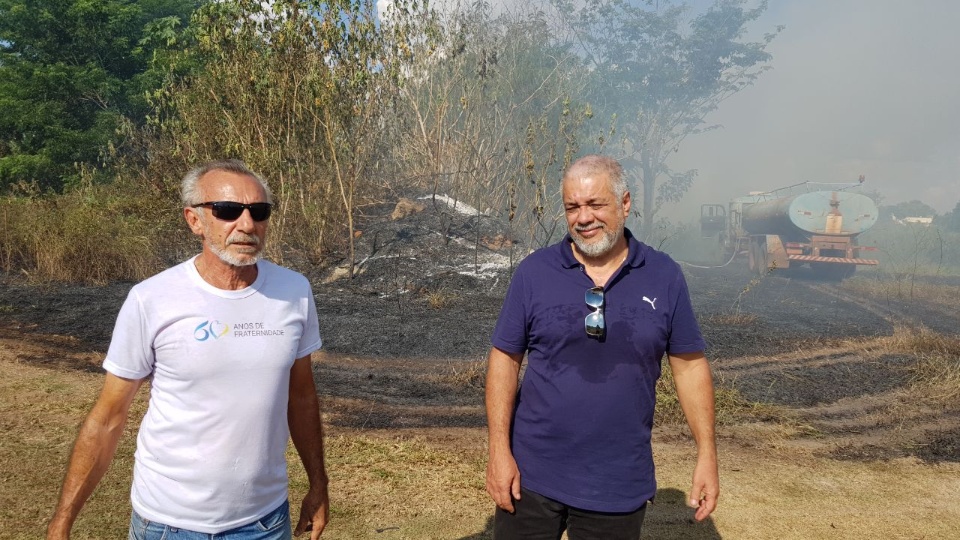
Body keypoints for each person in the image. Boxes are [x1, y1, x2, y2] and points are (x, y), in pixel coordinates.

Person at [47, 160, 330, 539]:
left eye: (258, 212)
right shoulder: (152, 299)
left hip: (265, 522)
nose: (246, 225)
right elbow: (109, 417)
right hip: (168, 524)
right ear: (194, 220)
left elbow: (301, 395)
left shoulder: (294, 291)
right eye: (228, 211)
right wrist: (62, 521)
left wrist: (318, 483)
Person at [485, 155, 719, 539]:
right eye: (572, 207)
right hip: (530, 475)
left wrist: (707, 455)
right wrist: (498, 451)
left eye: (595, 204)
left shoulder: (663, 276)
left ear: (624, 203)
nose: (583, 218)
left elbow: (690, 366)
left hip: (617, 482)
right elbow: (504, 359)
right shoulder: (534, 273)